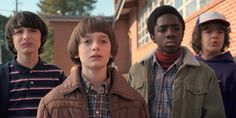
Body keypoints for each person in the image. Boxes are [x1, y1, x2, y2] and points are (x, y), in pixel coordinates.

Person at [36, 16, 149, 118]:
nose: (95, 47)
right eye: (87, 41)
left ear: (111, 51)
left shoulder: (136, 102)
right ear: (76, 51)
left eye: (103, 41)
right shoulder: (51, 104)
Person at [128, 5, 226, 118]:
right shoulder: (136, 71)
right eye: (163, 29)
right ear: (152, 37)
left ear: (182, 34)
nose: (170, 33)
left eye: (176, 28)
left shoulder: (206, 74)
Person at [0, 11, 66, 118]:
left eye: (32, 31)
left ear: (42, 36)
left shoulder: (57, 75)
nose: (26, 36)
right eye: (19, 32)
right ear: (11, 39)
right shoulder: (2, 75)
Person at [191, 11, 236, 118]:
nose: (215, 36)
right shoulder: (188, 65)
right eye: (208, 31)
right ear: (199, 37)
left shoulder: (232, 70)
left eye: (220, 32)